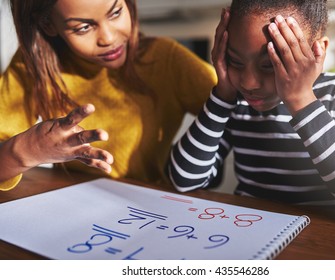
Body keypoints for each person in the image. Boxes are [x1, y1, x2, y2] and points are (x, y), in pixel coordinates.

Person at [168, 0, 335, 226]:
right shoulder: (235, 100)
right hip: (248, 232)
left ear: (318, 51)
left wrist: (301, 99)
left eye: (270, 65)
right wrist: (222, 96)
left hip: (324, 245)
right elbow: (184, 180)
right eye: (235, 61)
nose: (249, 82)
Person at [0, 0, 217, 190]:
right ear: (48, 24)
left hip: (151, 208)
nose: (108, 38)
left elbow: (236, 107)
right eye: (83, 27)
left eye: (115, 13)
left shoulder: (166, 59)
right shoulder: (32, 67)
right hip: (75, 205)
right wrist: (30, 150)